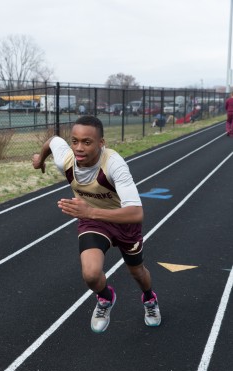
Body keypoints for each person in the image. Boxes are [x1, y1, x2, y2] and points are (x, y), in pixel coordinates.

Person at [32, 116, 161, 333]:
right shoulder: (66, 159)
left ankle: (150, 299)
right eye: (75, 141)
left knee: (137, 272)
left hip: (123, 222)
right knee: (91, 274)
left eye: (87, 142)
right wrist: (40, 160)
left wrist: (90, 210)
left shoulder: (114, 165)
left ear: (101, 143)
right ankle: (105, 297)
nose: (79, 148)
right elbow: (52, 141)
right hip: (93, 222)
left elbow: (137, 213)